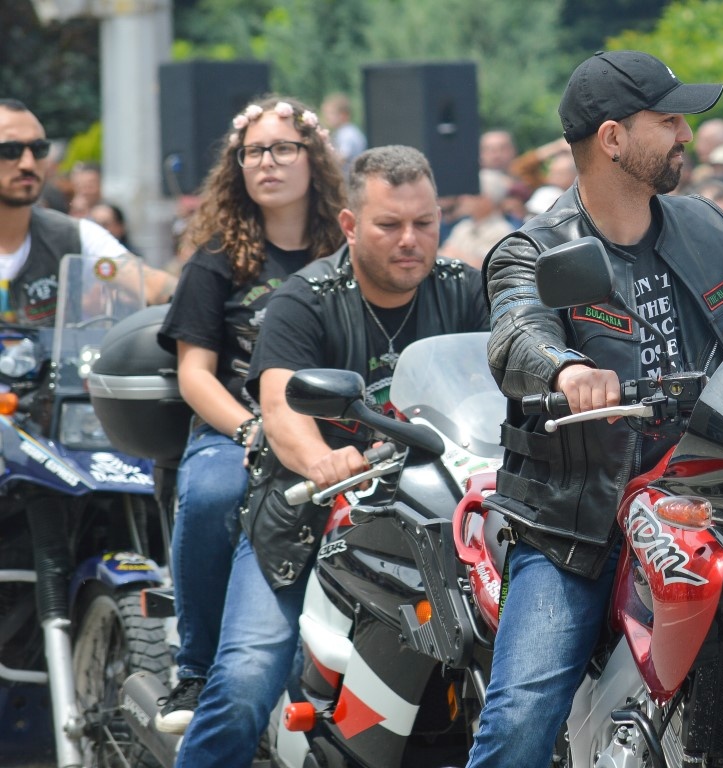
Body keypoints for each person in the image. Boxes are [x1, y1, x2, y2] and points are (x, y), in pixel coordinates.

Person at [471, 50, 723, 767]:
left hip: (717, 503)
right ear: (612, 138)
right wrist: (567, 367)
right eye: (667, 121)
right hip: (583, 525)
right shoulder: (534, 251)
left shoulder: (705, 227)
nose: (685, 134)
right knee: (519, 722)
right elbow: (515, 333)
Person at [174, 145, 489, 768]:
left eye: (424, 223)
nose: (410, 240)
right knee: (244, 682)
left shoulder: (465, 290)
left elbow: (502, 384)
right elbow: (280, 403)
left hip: (434, 524)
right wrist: (322, 459)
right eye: (389, 224)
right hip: (306, 517)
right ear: (349, 224)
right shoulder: (307, 297)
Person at [154, 95, 347, 734]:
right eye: (253, 151)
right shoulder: (216, 257)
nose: (267, 162)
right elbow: (194, 373)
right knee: (213, 494)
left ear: (314, 160)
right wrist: (250, 427)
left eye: (283, 148)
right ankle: (196, 670)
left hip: (333, 433)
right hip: (231, 433)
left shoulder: (346, 249)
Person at [0, 98, 175, 323]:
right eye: (10, 150)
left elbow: (149, 284)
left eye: (38, 149)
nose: (28, 163)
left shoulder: (74, 235)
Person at [320, 92, 367, 177]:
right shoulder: (343, 132)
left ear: (343, 115)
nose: (327, 117)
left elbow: (341, 158)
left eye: (331, 113)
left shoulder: (347, 134)